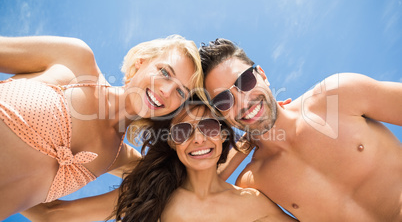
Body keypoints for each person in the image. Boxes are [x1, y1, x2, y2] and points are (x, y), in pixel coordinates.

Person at [0, 34, 203, 220]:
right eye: (165, 72)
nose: (166, 91)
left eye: (181, 93)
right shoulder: (76, 60)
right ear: (141, 62)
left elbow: (52, 215)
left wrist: (234, 146)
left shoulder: (124, 161)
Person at [200, 38, 402, 221]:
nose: (243, 102)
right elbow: (197, 195)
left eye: (245, 81)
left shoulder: (337, 96)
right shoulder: (254, 181)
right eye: (223, 100)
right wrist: (245, 142)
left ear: (262, 75)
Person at [22, 98, 297, 222]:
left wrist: (259, 128)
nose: (199, 139)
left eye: (210, 128)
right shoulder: (152, 192)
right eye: (182, 131)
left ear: (224, 135)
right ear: (172, 143)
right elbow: (52, 215)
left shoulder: (252, 203)